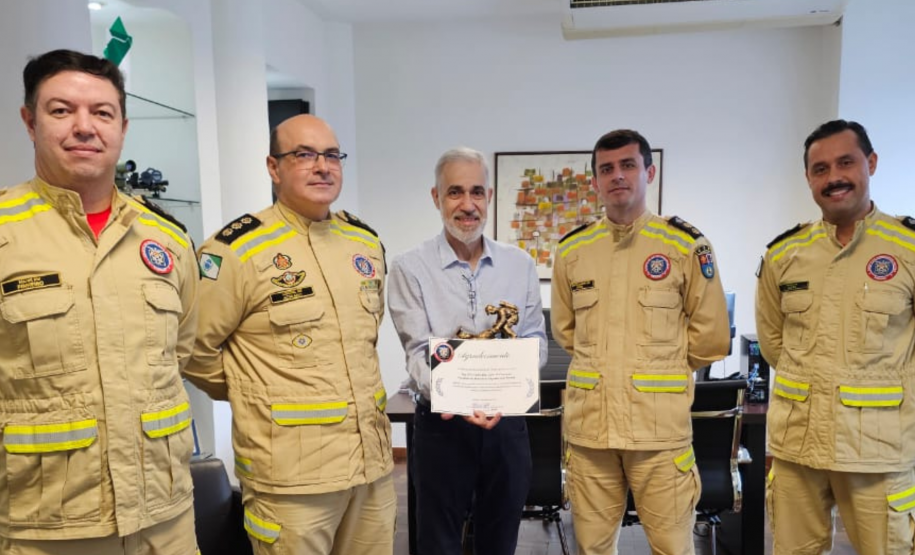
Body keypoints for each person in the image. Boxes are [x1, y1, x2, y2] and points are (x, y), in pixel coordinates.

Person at [0, 49, 199, 554]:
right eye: (61, 110)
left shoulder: (167, 239)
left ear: (123, 127)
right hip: (48, 527)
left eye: (102, 113)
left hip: (165, 518)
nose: (85, 127)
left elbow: (182, 352)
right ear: (29, 121)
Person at [183, 114, 395, 555]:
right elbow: (192, 349)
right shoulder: (236, 251)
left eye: (332, 155)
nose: (322, 166)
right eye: (304, 155)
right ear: (273, 167)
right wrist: (256, 392)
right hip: (291, 478)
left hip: (370, 468)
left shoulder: (364, 243)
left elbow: (363, 341)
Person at [551, 129, 730, 554]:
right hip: (591, 432)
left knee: (672, 547)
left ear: (649, 172)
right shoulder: (573, 250)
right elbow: (565, 331)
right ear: (595, 181)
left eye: (628, 165)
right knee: (592, 547)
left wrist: (657, 371)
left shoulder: (685, 245)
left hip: (659, 433)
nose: (617, 176)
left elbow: (711, 338)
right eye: (606, 169)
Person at [756, 119, 915, 554]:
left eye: (845, 162)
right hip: (796, 446)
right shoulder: (784, 254)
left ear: (872, 163)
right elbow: (773, 342)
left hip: (877, 451)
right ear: (808, 178)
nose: (833, 177)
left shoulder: (907, 248)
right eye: (820, 168)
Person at [387, 147, 547, 555]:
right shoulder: (409, 267)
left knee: (501, 540)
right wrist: (459, 397)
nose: (467, 204)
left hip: (506, 426)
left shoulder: (520, 264)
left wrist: (502, 395)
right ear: (436, 197)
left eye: (477, 192)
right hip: (443, 428)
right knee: (438, 542)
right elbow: (417, 350)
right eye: (455, 192)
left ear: (489, 197)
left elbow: (534, 342)